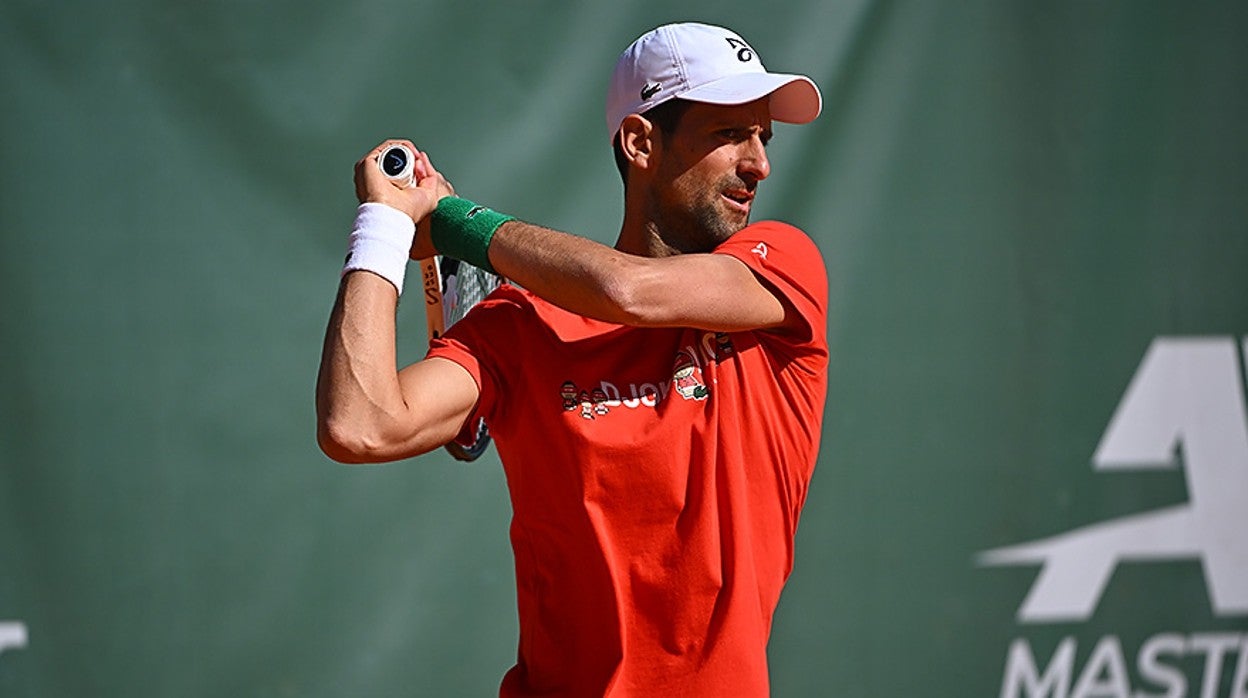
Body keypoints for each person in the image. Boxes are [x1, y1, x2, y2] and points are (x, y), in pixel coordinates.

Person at [316, 22, 828, 698]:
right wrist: (384, 228)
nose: (759, 163)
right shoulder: (519, 329)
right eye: (729, 134)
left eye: (764, 136)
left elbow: (629, 291)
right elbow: (360, 425)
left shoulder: (781, 270)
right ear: (641, 142)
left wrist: (453, 223)